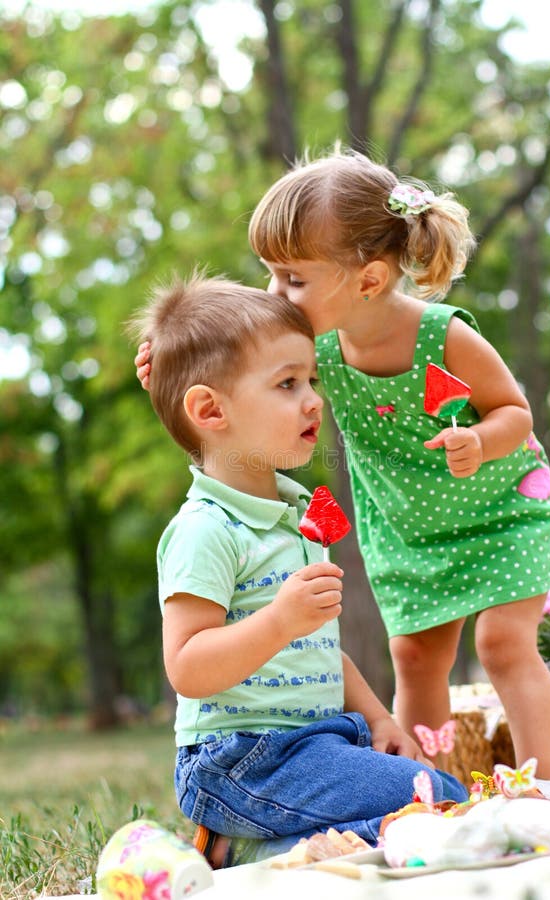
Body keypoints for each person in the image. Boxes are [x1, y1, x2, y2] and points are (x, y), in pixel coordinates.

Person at [135, 150, 550, 783]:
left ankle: (544, 783)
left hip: (502, 513)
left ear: (366, 280)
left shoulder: (443, 337)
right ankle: (430, 785)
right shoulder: (315, 347)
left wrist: (484, 442)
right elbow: (235, 382)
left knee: (501, 644)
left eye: (292, 278)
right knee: (415, 657)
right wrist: (171, 367)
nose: (273, 293)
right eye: (270, 273)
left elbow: (515, 412)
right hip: (409, 527)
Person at [130, 272, 467, 868]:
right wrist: (280, 621)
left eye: (311, 379)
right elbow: (187, 666)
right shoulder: (205, 529)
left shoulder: (294, 517)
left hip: (311, 745)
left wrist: (379, 717)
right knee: (436, 800)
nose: (314, 398)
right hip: (240, 758)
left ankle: (276, 846)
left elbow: (317, 645)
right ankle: (255, 848)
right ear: (210, 409)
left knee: (430, 792)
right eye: (287, 383)